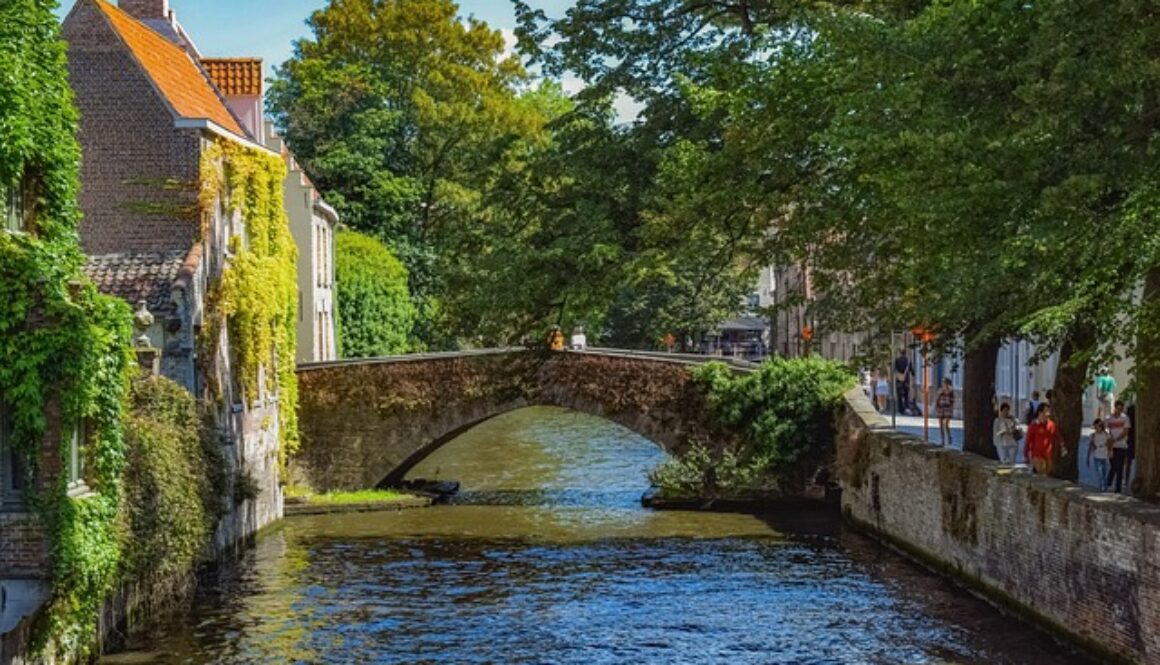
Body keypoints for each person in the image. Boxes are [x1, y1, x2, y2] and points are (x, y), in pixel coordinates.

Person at [1024, 404, 1061, 476]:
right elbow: (1028, 441)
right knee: (1042, 474)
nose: (1048, 414)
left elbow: (1057, 435)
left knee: (1047, 474)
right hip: (1037, 455)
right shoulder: (1033, 426)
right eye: (1046, 412)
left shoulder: (1051, 424)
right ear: (1040, 413)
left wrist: (1062, 445)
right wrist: (1026, 456)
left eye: (1049, 412)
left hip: (1048, 455)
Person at [1105, 400, 1132, 493]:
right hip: (1111, 446)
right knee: (1113, 465)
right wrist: (1109, 439)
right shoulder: (1109, 418)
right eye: (1118, 408)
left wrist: (1115, 439)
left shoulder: (1125, 418)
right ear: (1115, 408)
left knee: (1119, 466)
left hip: (1122, 446)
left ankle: (1117, 487)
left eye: (1121, 409)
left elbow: (1125, 432)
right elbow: (1106, 430)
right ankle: (1109, 482)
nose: (1119, 410)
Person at [1086, 419, 1112, 491]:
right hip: (1097, 456)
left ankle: (1105, 486)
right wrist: (1087, 457)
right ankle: (1101, 487)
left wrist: (1110, 452)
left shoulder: (1106, 435)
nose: (1097, 429)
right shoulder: (1093, 435)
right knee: (1100, 472)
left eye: (1098, 427)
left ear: (1101, 427)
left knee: (1104, 472)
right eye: (1095, 427)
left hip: (1104, 456)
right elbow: (1090, 446)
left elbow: (1110, 444)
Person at [893, 348, 914, 415]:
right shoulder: (908, 361)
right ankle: (907, 408)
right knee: (906, 395)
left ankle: (900, 410)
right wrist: (913, 376)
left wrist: (898, 375)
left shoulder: (897, 360)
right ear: (905, 353)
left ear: (900, 353)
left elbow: (894, 370)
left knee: (899, 395)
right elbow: (912, 371)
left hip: (899, 380)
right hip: (906, 380)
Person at [935, 378, 955, 446]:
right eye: (943, 383)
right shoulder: (940, 390)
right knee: (941, 425)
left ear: (948, 383)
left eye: (945, 383)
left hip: (947, 409)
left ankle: (949, 437)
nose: (944, 384)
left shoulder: (951, 391)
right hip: (941, 408)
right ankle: (942, 440)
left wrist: (951, 410)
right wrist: (936, 407)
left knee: (946, 425)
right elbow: (937, 400)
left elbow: (952, 401)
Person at [1125, 401, 1137, 490]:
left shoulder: (1129, 410)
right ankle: (1128, 479)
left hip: (1130, 439)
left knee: (1128, 461)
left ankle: (1126, 479)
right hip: (1135, 438)